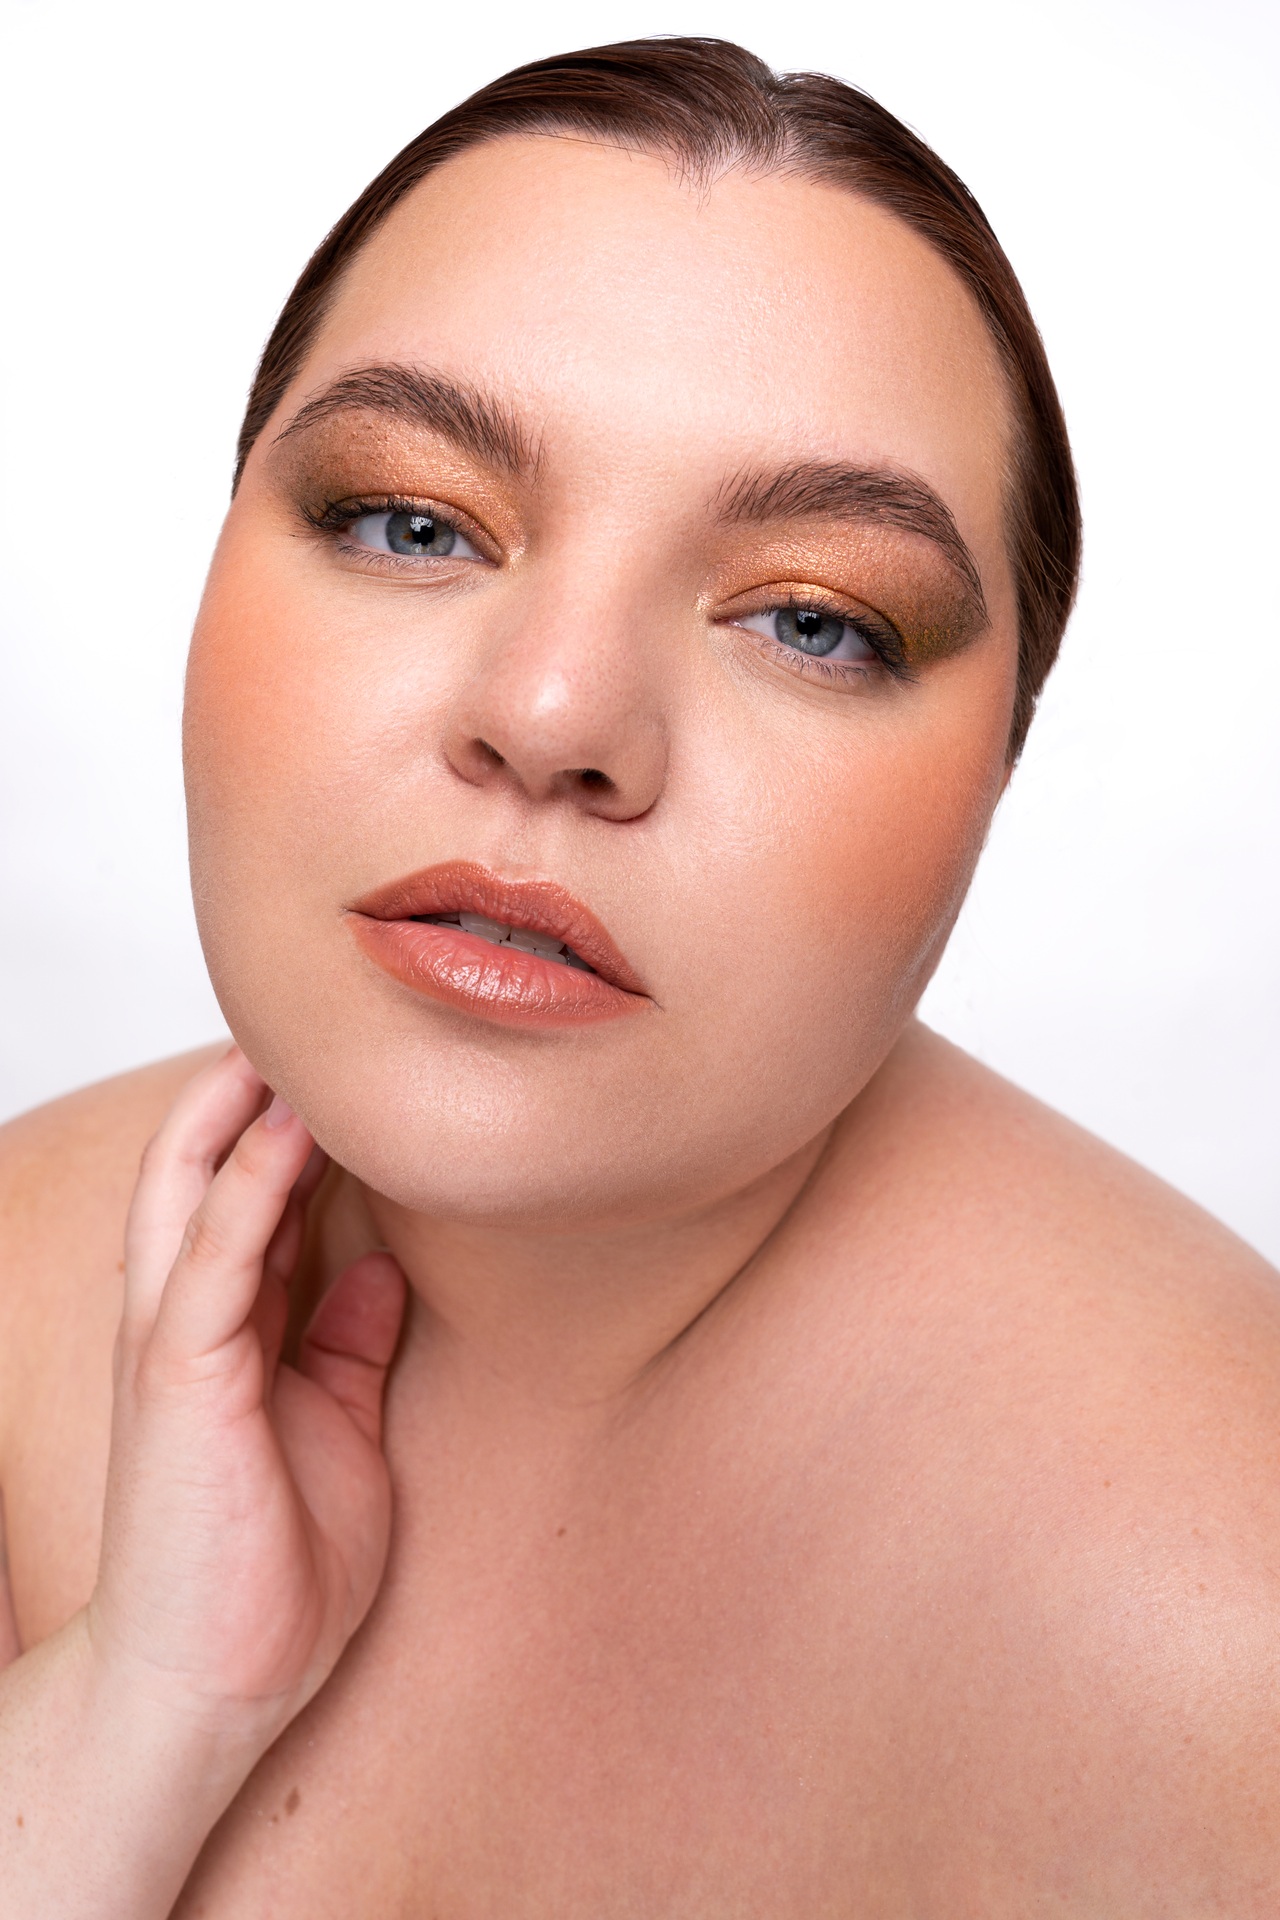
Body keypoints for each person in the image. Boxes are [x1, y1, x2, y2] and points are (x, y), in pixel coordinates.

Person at [1, 36, 1277, 1916]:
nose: (551, 717)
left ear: (1002, 772)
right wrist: (132, 1712)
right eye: (412, 521)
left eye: (813, 621)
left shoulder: (1224, 1625)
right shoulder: (10, 1299)